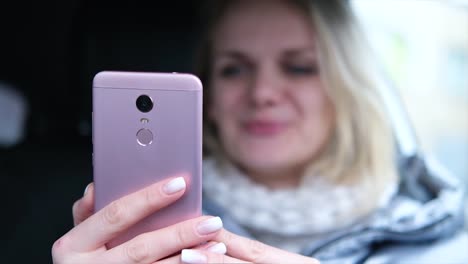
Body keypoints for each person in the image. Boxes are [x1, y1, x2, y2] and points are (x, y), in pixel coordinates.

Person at [52, 0, 467, 263]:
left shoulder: (443, 245)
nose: (263, 93)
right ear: (209, 100)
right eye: (234, 69)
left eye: (298, 66)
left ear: (345, 90)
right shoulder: (133, 236)